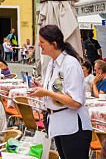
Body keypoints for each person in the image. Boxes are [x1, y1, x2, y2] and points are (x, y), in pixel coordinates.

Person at [31, 23, 92, 159]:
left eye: (42, 42)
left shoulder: (70, 64)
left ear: (53, 44)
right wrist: (41, 86)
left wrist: (46, 93)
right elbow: (58, 89)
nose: (39, 45)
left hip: (73, 127)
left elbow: (76, 102)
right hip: (58, 124)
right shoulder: (52, 63)